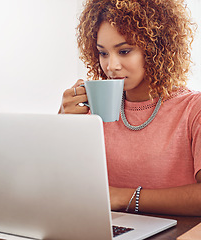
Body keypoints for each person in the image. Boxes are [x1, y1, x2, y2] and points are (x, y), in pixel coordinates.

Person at [59, 0, 201, 216]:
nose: (111, 66)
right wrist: (60, 123)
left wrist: (120, 197)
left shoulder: (193, 109)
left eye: (124, 51)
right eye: (103, 53)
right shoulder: (90, 110)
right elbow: (57, 185)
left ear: (156, 49)